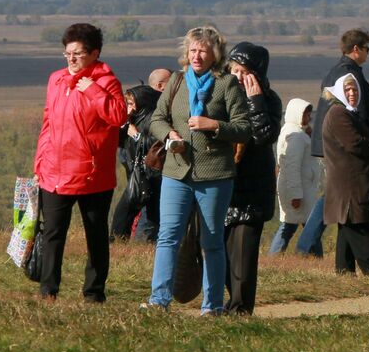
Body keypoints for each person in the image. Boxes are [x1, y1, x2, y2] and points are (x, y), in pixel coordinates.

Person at [144, 26, 251, 314]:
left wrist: (214, 125)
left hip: (215, 175)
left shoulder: (227, 84)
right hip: (176, 172)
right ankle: (159, 300)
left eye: (203, 50)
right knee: (168, 236)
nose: (197, 56)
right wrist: (169, 136)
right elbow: (157, 118)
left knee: (212, 241)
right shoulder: (177, 81)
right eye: (192, 50)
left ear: (215, 54)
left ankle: (212, 306)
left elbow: (244, 128)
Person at [32, 23, 126, 303]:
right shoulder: (56, 79)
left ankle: (94, 293)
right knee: (52, 233)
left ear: (94, 53)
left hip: (92, 174)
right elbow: (48, 123)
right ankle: (48, 291)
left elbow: (119, 116)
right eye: (67, 53)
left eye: (78, 53)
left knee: (95, 235)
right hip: (54, 170)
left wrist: (94, 90)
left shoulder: (106, 82)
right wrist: (39, 163)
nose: (71, 58)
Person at [303, 29, 369, 256]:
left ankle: (342, 261)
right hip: (346, 150)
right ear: (356, 49)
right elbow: (357, 113)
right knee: (343, 200)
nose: (368, 52)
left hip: (337, 147)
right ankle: (306, 244)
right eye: (367, 48)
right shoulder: (348, 74)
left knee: (340, 202)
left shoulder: (337, 71)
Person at [222, 42, 282, 315]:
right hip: (224, 183)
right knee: (221, 252)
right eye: (233, 69)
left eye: (244, 72)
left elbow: (264, 136)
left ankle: (241, 309)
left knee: (243, 255)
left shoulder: (269, 100)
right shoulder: (221, 95)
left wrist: (255, 101)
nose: (237, 76)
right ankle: (231, 299)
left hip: (253, 188)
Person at [321, 74, 369, 274]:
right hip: (350, 186)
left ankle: (344, 273)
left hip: (352, 185)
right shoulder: (338, 113)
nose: (352, 93)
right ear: (339, 92)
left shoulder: (347, 113)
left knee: (347, 230)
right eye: (347, 89)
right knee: (360, 228)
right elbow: (354, 143)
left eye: (355, 89)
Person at [110, 82, 162, 242]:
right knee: (126, 212)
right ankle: (120, 242)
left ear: (143, 103)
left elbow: (158, 144)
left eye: (132, 103)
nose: (130, 107)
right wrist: (123, 121)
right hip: (138, 174)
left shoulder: (153, 119)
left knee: (151, 214)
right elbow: (119, 141)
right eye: (128, 103)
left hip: (152, 175)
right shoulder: (134, 119)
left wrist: (137, 136)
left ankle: (144, 244)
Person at [270, 99, 322, 254]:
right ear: (296, 114)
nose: (309, 118)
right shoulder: (296, 136)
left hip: (302, 188)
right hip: (299, 189)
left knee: (294, 224)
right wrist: (295, 194)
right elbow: (291, 167)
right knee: (305, 225)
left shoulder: (296, 132)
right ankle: (314, 256)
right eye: (305, 114)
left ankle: (312, 256)